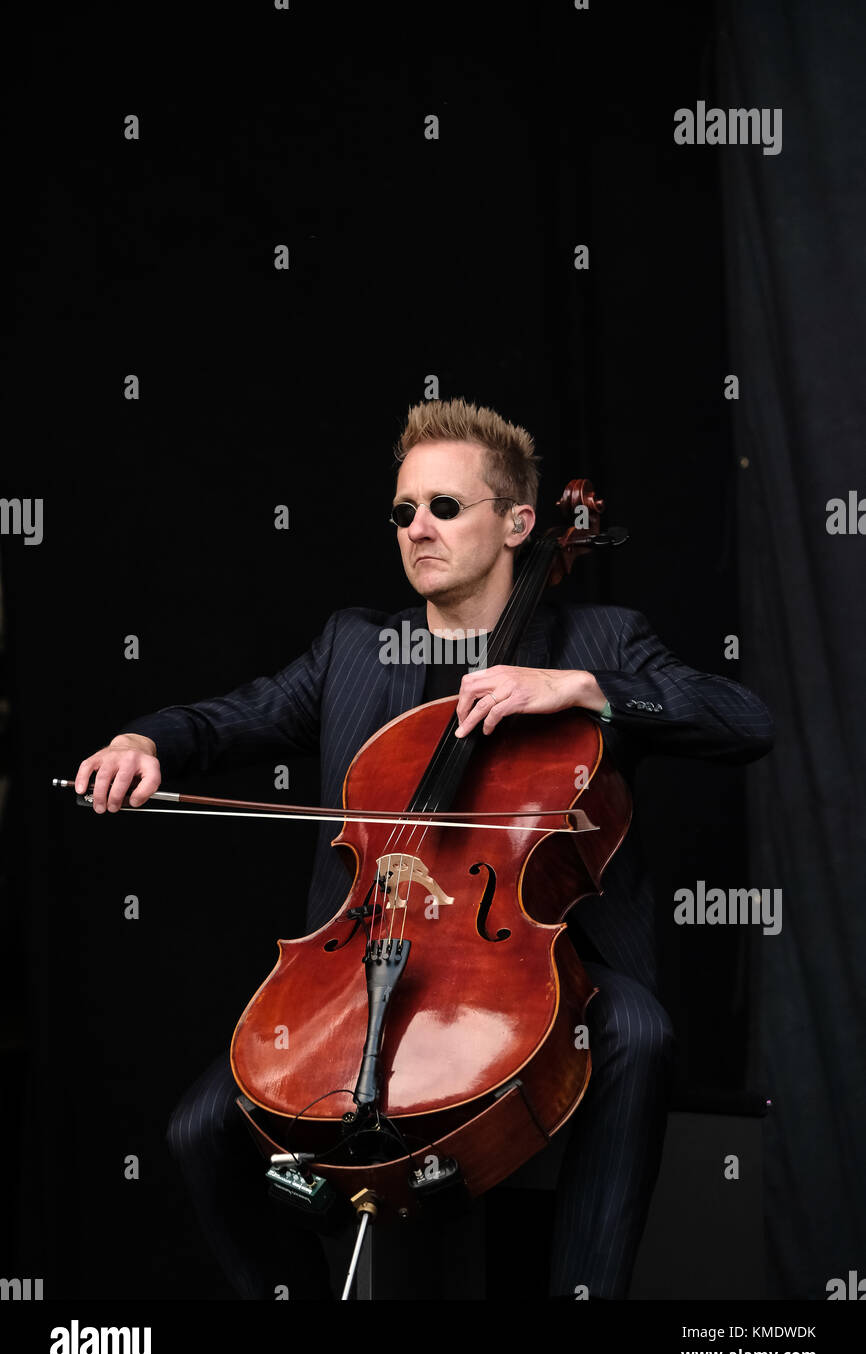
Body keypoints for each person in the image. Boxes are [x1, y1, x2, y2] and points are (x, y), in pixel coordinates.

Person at [74, 398, 774, 1300]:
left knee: (638, 1033)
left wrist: (583, 689)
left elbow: (744, 722)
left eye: (445, 507)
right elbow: (231, 717)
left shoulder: (599, 642)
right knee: (199, 1128)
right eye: (404, 511)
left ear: (520, 523)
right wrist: (147, 742)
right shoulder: (353, 647)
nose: (418, 529)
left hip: (543, 956)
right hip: (366, 954)